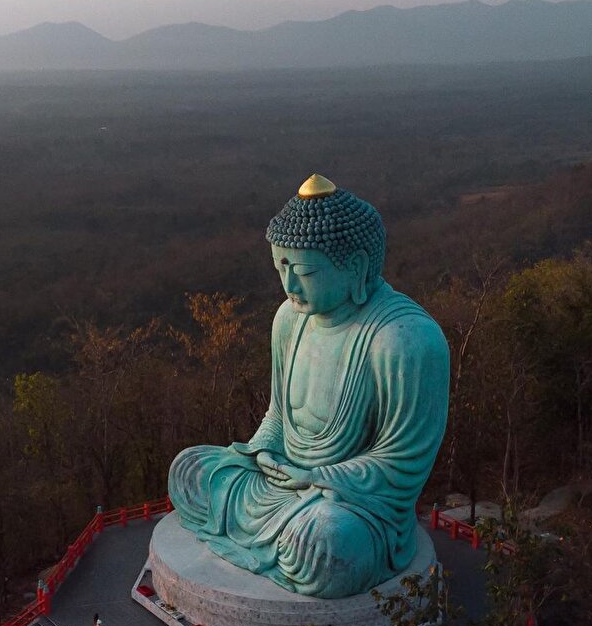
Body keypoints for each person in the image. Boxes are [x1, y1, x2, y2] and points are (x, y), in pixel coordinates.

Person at [168, 174, 450, 599]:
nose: (289, 286)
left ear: (355, 267)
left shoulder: (405, 340)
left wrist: (317, 475)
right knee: (187, 471)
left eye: (304, 271)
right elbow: (280, 414)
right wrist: (263, 450)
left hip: (346, 502)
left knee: (327, 547)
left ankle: (298, 541)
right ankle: (276, 534)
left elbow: (403, 464)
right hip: (277, 484)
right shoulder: (288, 320)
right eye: (281, 267)